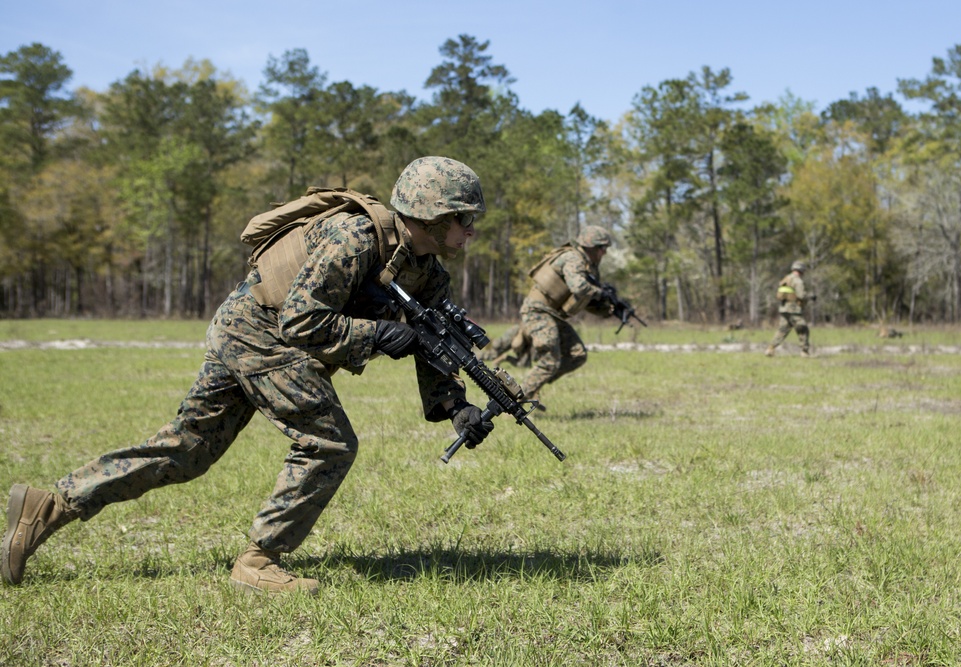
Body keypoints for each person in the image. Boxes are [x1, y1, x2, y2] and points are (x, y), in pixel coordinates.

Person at [1, 156, 494, 594]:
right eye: (464, 220)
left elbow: (432, 339)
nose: (470, 231)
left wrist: (455, 405)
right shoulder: (355, 239)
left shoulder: (427, 269)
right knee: (330, 443)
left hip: (257, 333)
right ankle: (259, 562)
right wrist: (377, 336)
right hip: (258, 332)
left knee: (188, 449)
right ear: (434, 213)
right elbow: (301, 321)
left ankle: (48, 506)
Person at [516, 225, 613, 410]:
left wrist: (608, 308)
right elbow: (579, 288)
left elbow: (583, 300)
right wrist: (600, 293)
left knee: (577, 355)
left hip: (552, 315)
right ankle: (514, 400)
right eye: (602, 249)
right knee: (549, 360)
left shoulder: (586, 265)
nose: (604, 253)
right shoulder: (573, 259)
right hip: (538, 311)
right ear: (591, 247)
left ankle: (532, 386)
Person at [765, 260, 812, 357]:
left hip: (784, 309)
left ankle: (770, 349)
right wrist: (810, 296)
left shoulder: (786, 279)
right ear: (801, 270)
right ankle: (804, 352)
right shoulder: (798, 281)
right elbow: (801, 295)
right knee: (803, 329)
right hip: (794, 309)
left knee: (782, 330)